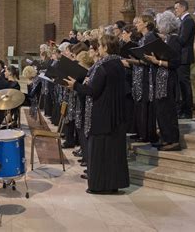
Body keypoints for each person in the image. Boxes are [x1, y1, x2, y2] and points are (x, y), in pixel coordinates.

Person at [65, 35, 129, 194]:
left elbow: (93, 91)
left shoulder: (103, 66)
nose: (98, 48)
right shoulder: (118, 64)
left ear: (106, 48)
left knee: (100, 152)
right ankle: (113, 184)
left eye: (100, 46)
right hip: (116, 115)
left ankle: (99, 186)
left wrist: (76, 86)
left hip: (101, 115)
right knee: (113, 152)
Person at [144, 11, 182, 151]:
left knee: (168, 111)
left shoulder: (174, 40)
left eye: (159, 24)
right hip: (160, 80)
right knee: (160, 110)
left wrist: (157, 61)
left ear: (166, 24)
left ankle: (173, 140)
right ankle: (165, 138)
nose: (158, 27)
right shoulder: (166, 39)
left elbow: (175, 62)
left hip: (168, 80)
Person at [129, 15, 158, 143]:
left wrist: (134, 60)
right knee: (139, 105)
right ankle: (140, 131)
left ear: (146, 24)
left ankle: (146, 134)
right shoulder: (143, 38)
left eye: (139, 22)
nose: (136, 25)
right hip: (139, 74)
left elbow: (150, 58)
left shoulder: (150, 37)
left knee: (145, 105)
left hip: (146, 75)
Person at [174, 0, 195, 119]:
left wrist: (172, 37)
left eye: (176, 8)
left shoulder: (188, 21)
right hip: (181, 57)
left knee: (185, 85)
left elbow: (182, 40)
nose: (175, 11)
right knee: (181, 85)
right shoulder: (184, 21)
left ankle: (187, 111)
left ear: (183, 8)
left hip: (184, 57)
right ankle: (182, 109)